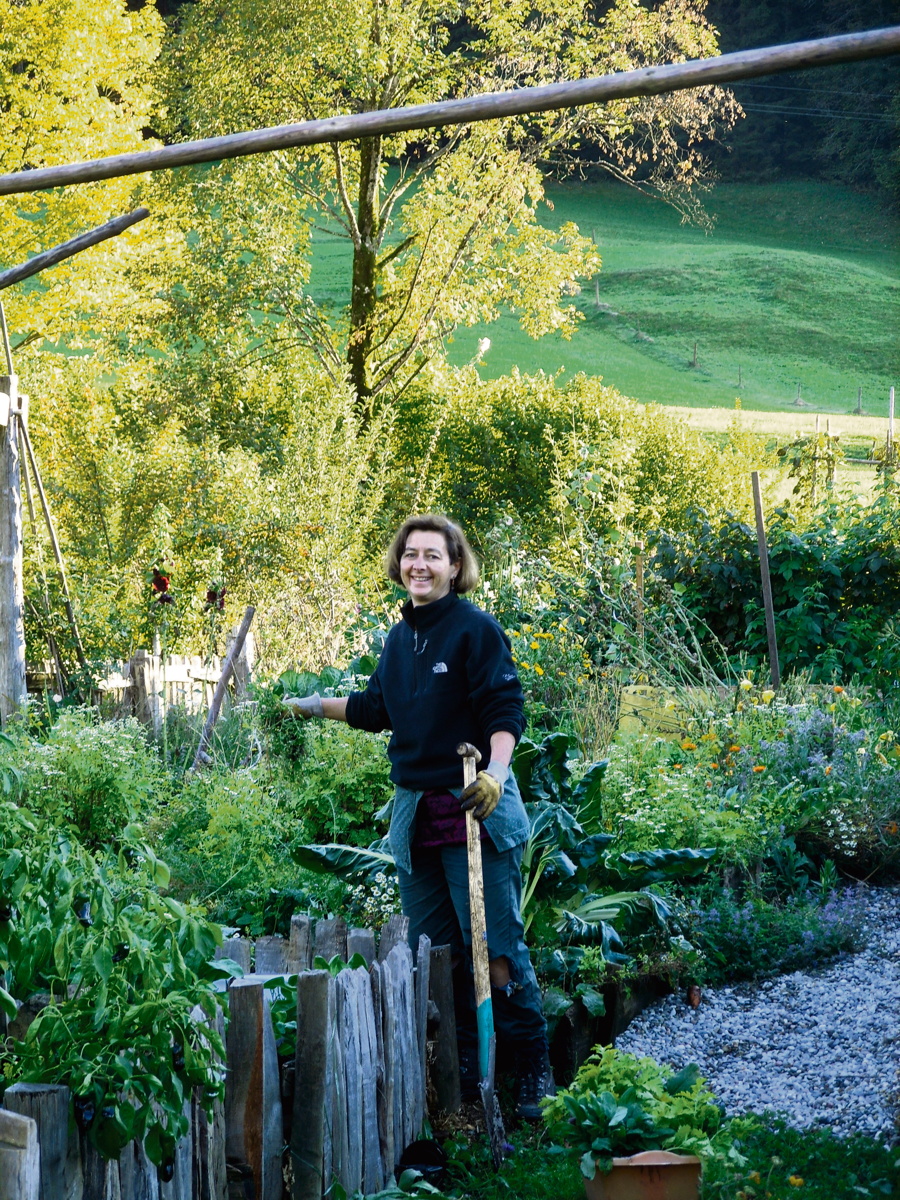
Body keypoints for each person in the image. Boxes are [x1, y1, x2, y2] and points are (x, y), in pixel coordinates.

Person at [284, 513, 554, 1120]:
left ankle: (533, 1064)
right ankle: (463, 1067)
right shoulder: (399, 638)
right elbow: (378, 707)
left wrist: (497, 774)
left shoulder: (474, 630)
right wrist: (313, 705)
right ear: (399, 563)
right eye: (411, 555)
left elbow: (504, 707)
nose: (420, 565)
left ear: (455, 567)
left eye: (433, 555)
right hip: (417, 814)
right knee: (440, 952)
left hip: (471, 805)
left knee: (496, 949)